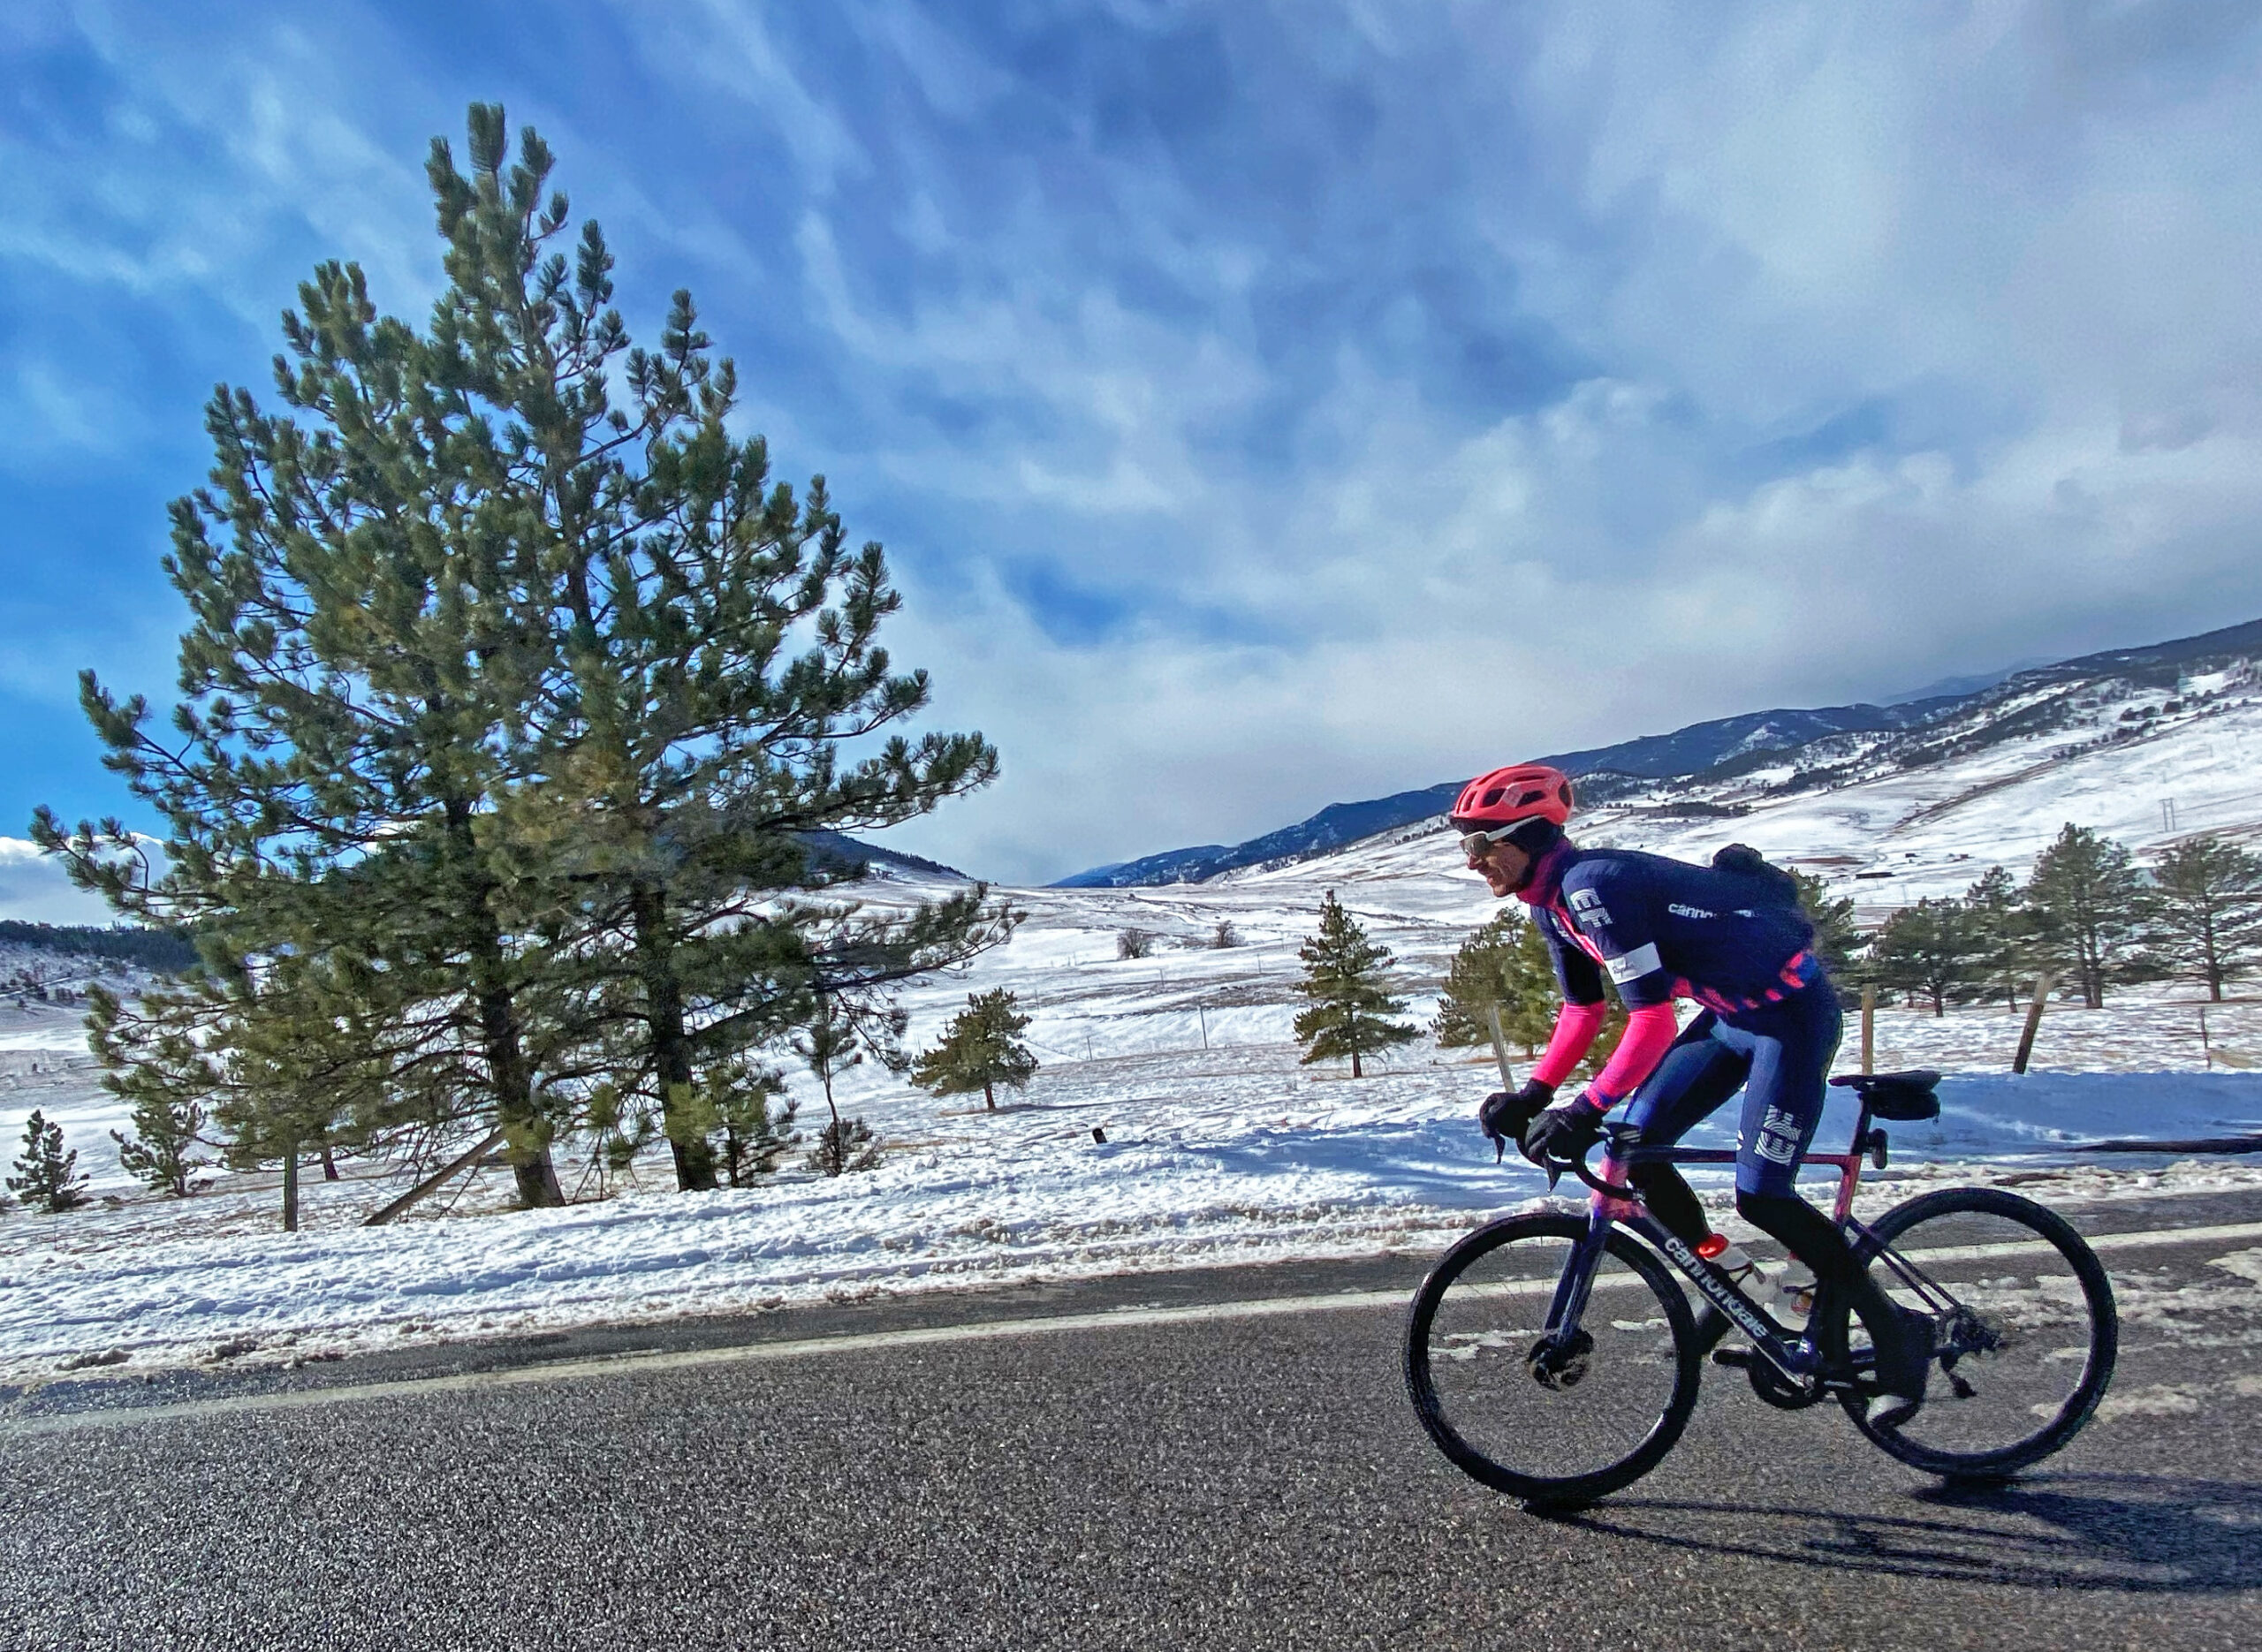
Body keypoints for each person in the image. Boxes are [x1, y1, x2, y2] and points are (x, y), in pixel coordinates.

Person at [1451, 761, 1931, 1428]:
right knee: (1639, 1156)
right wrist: (1533, 1095)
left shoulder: (1592, 890)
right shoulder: (1551, 906)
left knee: (1762, 1194)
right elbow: (1582, 1012)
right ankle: (1737, 1284)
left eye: (1481, 843)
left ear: (1527, 836)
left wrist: (1586, 1109)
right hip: (1727, 1019)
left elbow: (1652, 1019)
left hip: (1789, 1020)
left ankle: (1897, 1334)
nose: (1472, 861)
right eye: (1464, 844)